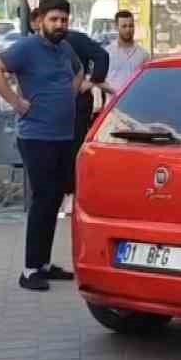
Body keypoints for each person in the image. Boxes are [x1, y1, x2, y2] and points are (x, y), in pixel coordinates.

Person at [0, 0, 84, 292]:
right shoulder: (27, 47)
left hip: (63, 135)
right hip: (37, 136)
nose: (59, 25)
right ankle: (29, 270)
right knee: (42, 200)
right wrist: (16, 102)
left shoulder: (65, 48)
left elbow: (80, 71)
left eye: (64, 20)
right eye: (54, 19)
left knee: (54, 200)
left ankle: (43, 263)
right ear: (40, 20)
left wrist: (70, 93)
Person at [61, 21, 110, 217]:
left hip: (77, 102)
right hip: (52, 103)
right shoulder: (36, 44)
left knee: (74, 147)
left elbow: (102, 56)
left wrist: (91, 82)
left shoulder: (76, 39)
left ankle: (71, 193)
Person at [104, 9, 149, 92]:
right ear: (116, 27)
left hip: (135, 102)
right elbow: (99, 81)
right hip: (113, 102)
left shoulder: (143, 54)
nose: (128, 30)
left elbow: (147, 81)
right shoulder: (107, 53)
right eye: (124, 26)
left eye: (131, 26)